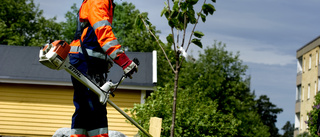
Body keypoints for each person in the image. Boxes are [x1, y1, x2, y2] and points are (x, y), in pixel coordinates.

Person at [68, 0, 138, 137]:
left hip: (83, 60)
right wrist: (123, 61)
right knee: (95, 109)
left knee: (84, 109)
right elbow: (103, 31)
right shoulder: (99, 0)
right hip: (87, 61)